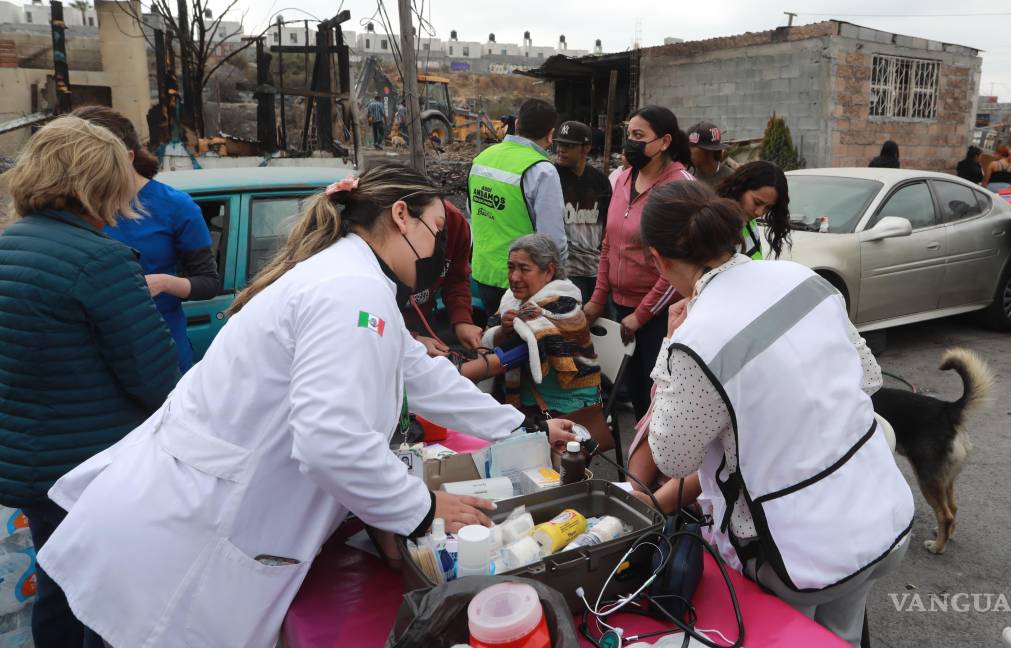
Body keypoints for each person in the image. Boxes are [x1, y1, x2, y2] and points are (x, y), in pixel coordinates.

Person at [35, 165, 578, 648]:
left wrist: (524, 426)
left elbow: (424, 375)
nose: (439, 250)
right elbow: (328, 441)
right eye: (436, 231)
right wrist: (422, 509)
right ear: (400, 217)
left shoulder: (352, 281)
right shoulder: (350, 291)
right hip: (185, 534)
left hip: (170, 513)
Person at [640, 180, 912, 646]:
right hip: (879, 518)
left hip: (794, 553)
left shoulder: (695, 340)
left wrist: (668, 345)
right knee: (840, 638)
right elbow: (868, 378)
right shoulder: (802, 278)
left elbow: (671, 457)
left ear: (657, 260)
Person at [0, 117, 181, 648]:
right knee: (107, 603)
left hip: (28, 462)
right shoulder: (102, 261)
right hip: (89, 471)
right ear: (102, 186)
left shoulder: (10, 246)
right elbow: (156, 379)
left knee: (56, 584)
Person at [73, 106, 220, 373]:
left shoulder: (175, 206)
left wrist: (163, 282)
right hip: (91, 354)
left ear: (127, 157)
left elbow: (208, 282)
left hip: (159, 351)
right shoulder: (75, 205)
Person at [583, 105, 696, 417]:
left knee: (657, 400)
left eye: (638, 135)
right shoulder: (621, 179)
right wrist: (597, 299)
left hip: (661, 315)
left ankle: (658, 465)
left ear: (664, 142)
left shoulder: (680, 188)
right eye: (627, 134)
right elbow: (609, 244)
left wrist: (642, 315)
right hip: (621, 309)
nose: (629, 142)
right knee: (634, 396)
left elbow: (677, 264)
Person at [459, 235, 614, 449]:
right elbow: (492, 338)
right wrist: (503, 330)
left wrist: (455, 374)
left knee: (498, 443)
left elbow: (513, 355)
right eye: (510, 267)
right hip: (530, 400)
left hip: (568, 408)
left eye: (524, 269)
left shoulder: (563, 307)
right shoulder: (512, 302)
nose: (514, 276)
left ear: (549, 271)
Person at [468, 98, 567, 316]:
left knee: (496, 338)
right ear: (551, 134)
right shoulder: (542, 170)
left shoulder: (482, 159)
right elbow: (552, 240)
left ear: (518, 123)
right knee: (525, 344)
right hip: (521, 282)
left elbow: (473, 212)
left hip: (483, 274)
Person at [401, 200, 484, 353]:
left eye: (442, 227)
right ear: (399, 215)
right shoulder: (373, 235)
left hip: (424, 317)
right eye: (436, 226)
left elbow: (456, 278)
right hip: (386, 333)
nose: (440, 232)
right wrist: (409, 340)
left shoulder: (455, 222)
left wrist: (462, 320)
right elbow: (365, 320)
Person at [553, 120, 612, 303]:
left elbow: (607, 224)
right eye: (559, 144)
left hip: (595, 268)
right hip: (566, 269)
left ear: (585, 148)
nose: (561, 149)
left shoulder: (599, 180)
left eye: (569, 146)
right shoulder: (552, 177)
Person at [715, 160, 792, 260]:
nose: (759, 213)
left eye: (768, 207)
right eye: (757, 202)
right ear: (739, 188)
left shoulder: (749, 224)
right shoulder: (713, 226)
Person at [688, 121, 732, 188]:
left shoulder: (730, 179)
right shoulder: (687, 176)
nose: (687, 151)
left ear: (709, 150)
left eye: (692, 146)